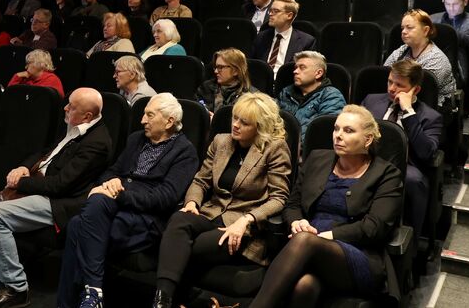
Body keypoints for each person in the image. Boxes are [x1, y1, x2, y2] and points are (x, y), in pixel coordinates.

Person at [0, 88, 112, 308]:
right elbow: (46, 152)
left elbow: (61, 185)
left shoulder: (97, 143)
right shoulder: (76, 126)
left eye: (71, 106)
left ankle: (16, 288)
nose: (65, 107)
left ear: (87, 115)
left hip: (61, 202)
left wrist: (20, 182)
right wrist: (23, 167)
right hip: (42, 188)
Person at [250, 105, 403, 308]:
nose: (338, 136)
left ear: (367, 140)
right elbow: (293, 204)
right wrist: (297, 221)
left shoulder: (386, 174)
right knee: (305, 286)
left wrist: (325, 236)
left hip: (358, 253)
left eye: (348, 131)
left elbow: (373, 228)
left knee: (305, 242)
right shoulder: (317, 159)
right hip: (310, 244)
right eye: (336, 129)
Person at [57, 93, 199, 308]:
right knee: (85, 215)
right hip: (114, 207)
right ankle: (92, 294)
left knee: (79, 225)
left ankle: (80, 297)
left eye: (150, 115)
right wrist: (111, 182)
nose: (142, 120)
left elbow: (166, 198)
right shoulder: (136, 139)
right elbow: (111, 171)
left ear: (170, 121)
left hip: (145, 219)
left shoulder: (185, 152)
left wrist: (120, 193)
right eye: (143, 114)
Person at [152, 92, 292, 308]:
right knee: (180, 220)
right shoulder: (221, 141)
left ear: (260, 126)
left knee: (181, 246)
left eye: (244, 122)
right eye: (235, 118)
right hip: (211, 213)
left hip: (242, 228)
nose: (235, 125)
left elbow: (279, 198)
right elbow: (200, 181)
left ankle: (170, 299)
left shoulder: (274, 149)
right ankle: (162, 301)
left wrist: (247, 220)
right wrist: (192, 204)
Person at [361, 61, 441, 240]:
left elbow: (426, 153)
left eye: (399, 85)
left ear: (416, 90)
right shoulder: (371, 101)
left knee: (415, 180)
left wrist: (408, 112)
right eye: (390, 82)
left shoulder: (431, 117)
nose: (391, 88)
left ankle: (410, 242)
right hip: (366, 159)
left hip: (402, 167)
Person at [384, 9, 457, 107]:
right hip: (400, 100)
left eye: (409, 27)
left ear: (425, 30)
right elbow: (384, 74)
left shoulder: (437, 59)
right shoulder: (403, 50)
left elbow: (421, 92)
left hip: (432, 107)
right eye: (402, 28)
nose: (404, 32)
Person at [277, 51, 346, 144]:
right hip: (279, 147)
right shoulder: (286, 92)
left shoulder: (332, 96)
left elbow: (324, 133)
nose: (295, 71)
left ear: (318, 73)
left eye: (302, 67)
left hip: (309, 152)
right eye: (296, 68)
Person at [250, 0, 317, 76]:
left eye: (276, 11)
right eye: (270, 10)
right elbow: (253, 65)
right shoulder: (261, 37)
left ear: (289, 15)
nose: (270, 14)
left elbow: (306, 72)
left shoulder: (306, 41)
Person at [430, 0, 469, 85]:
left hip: (459, 64)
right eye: (447, 4)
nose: (451, 8)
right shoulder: (432, 19)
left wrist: (456, 36)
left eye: (455, 4)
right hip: (432, 60)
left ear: (465, 2)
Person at [196, 48, 257, 118]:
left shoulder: (251, 96)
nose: (216, 71)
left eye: (220, 67)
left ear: (236, 71)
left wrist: (217, 121)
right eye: (215, 67)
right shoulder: (205, 88)